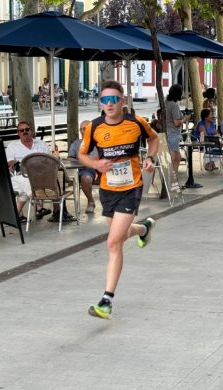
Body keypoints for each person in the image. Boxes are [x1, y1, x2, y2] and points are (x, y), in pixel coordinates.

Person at [78, 80, 159, 320]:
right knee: (120, 235)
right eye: (105, 100)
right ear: (100, 103)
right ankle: (144, 228)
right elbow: (82, 155)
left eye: (114, 99)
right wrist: (95, 164)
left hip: (131, 187)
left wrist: (150, 158)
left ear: (122, 101)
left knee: (114, 242)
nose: (109, 104)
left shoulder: (136, 122)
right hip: (107, 189)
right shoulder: (94, 127)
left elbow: (154, 139)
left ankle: (107, 300)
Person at [6, 121, 51, 223]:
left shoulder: (41, 144)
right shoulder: (12, 146)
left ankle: (16, 216)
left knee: (24, 192)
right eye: (22, 130)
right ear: (18, 133)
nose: (25, 132)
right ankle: (38, 207)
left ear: (31, 131)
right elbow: (10, 162)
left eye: (27, 129)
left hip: (39, 176)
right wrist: (22, 164)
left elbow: (49, 160)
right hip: (17, 177)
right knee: (26, 180)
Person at [68, 120, 97, 214]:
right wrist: (81, 162)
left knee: (86, 178)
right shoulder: (76, 144)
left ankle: (91, 201)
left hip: (92, 169)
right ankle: (59, 210)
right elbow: (70, 158)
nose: (82, 131)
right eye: (80, 129)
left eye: (84, 129)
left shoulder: (98, 143)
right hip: (76, 169)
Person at [166, 84, 190, 174]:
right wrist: (185, 118)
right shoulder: (174, 105)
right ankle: (172, 176)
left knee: (178, 157)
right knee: (174, 157)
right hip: (173, 133)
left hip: (168, 132)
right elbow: (176, 123)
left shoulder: (166, 102)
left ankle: (174, 176)